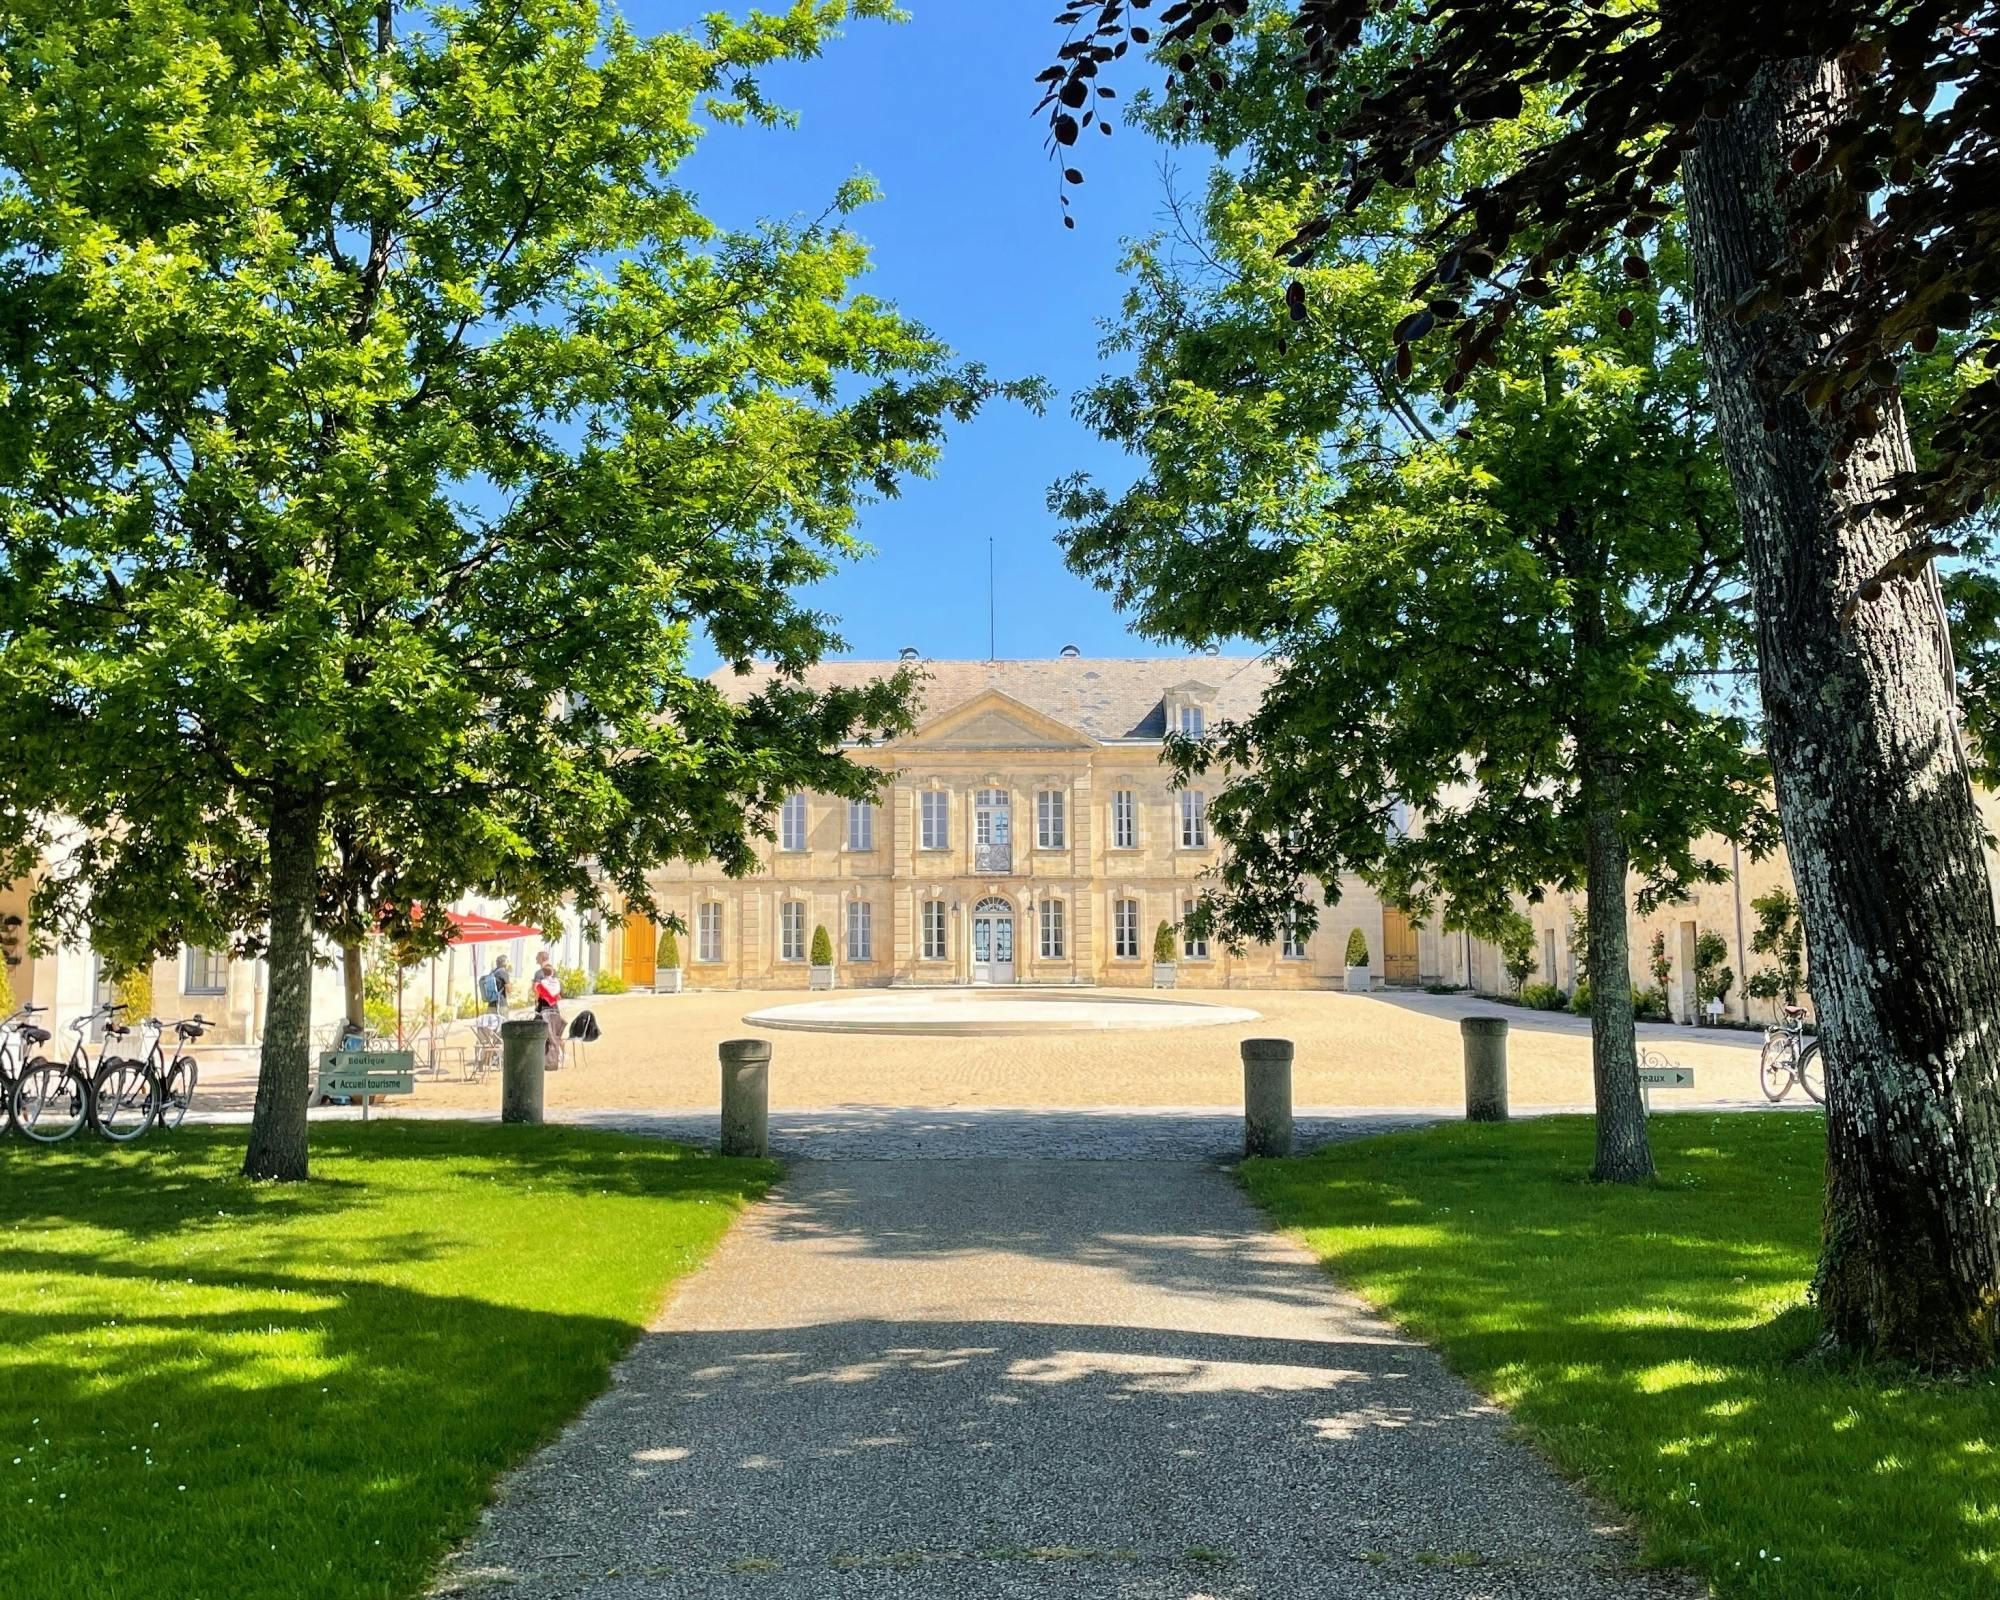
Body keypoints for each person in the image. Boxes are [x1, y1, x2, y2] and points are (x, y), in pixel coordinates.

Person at [532, 950, 563, 1071]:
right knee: (556, 1031)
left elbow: (535, 988)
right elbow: (559, 993)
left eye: (537, 957)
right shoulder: (554, 972)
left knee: (540, 1031)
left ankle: (542, 1056)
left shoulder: (539, 973)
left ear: (541, 958)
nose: (535, 959)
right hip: (554, 1007)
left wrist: (538, 997)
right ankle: (560, 1054)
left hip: (543, 1007)